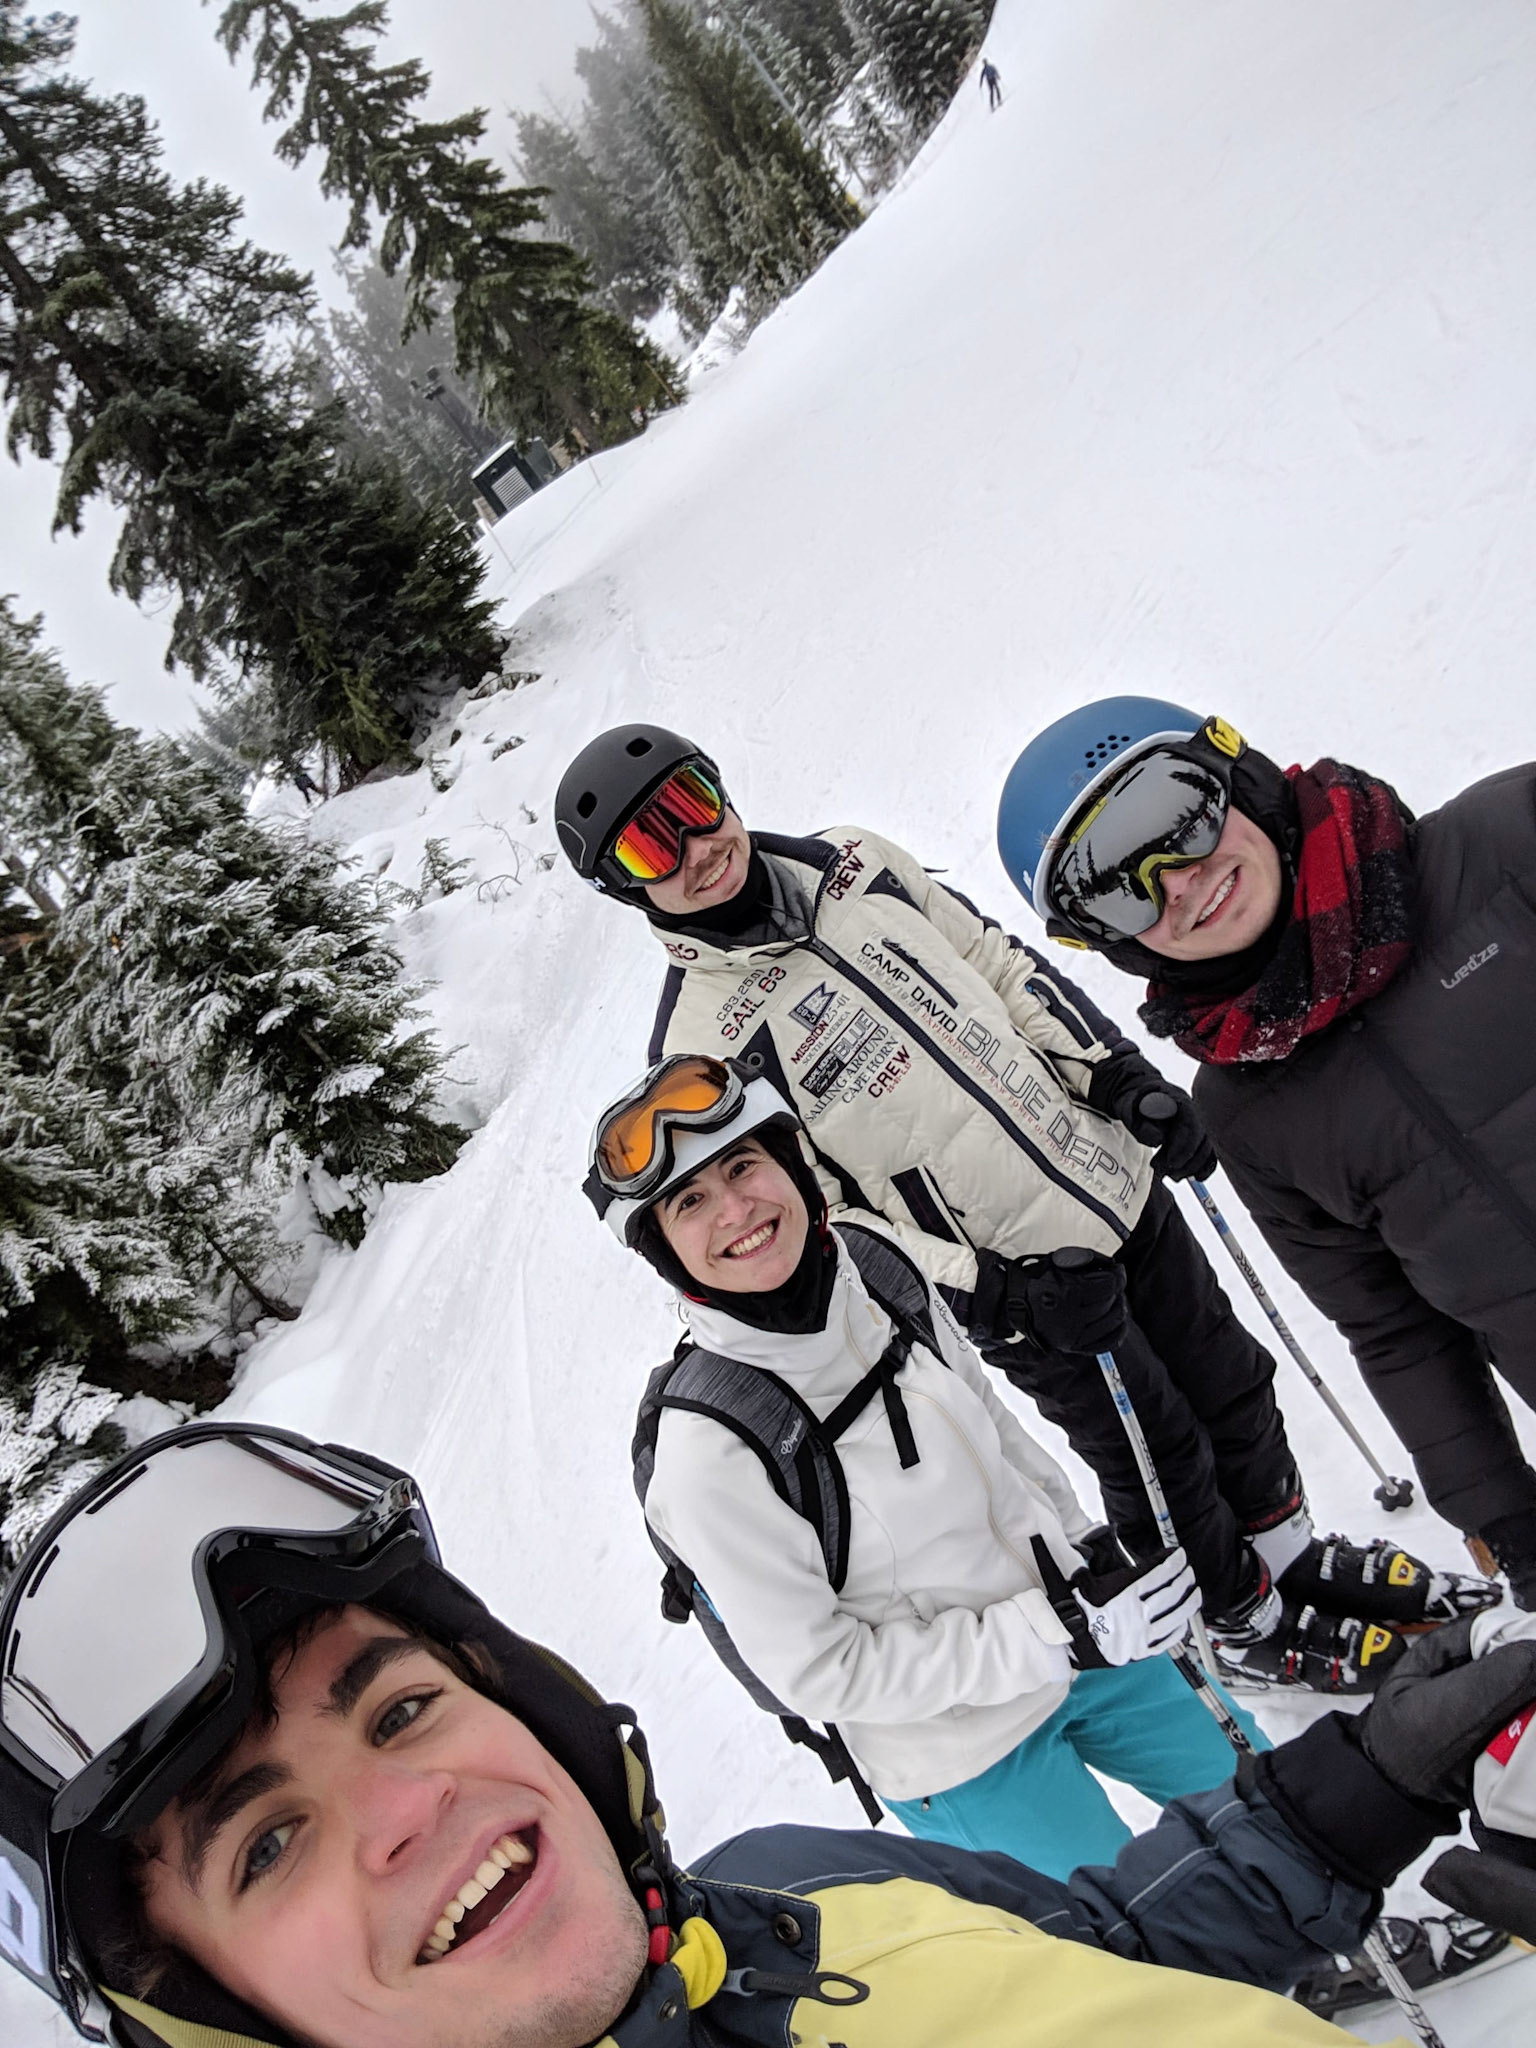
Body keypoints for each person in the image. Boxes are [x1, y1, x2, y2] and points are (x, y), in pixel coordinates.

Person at [3, 1421, 1533, 2048]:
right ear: (212, 2013)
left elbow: (1113, 1953)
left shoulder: (796, 1890)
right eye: (269, 1844)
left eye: (401, 1708)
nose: (406, 1808)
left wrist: (1363, 1785)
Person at [554, 723, 1488, 1694]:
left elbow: (996, 965)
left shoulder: (854, 863)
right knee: (1154, 1448)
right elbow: (819, 1218)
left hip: (1105, 1174)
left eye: (693, 804)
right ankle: (1239, 1618)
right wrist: (990, 1289)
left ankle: (1287, 1554)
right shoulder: (705, 1045)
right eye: (650, 846)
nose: (695, 847)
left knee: (1230, 1376)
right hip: (1022, 1278)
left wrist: (1113, 1074)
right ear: (625, 887)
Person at [584, 1053, 1251, 1882]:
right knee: (1137, 1928)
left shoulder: (873, 1265)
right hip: (958, 1749)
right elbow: (824, 1672)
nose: (736, 1208)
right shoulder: (707, 1452)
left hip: (1084, 1636)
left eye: (744, 1165)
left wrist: (1082, 1552)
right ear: (664, 1250)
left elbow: (991, 1425)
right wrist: (1056, 1633)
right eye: (689, 1201)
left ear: (788, 1162)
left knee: (1265, 1804)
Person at [996, 697, 1536, 1615]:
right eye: (1119, 890)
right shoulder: (1249, 1113)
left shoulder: (1504, 844)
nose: (1176, 881)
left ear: (1232, 773)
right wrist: (1507, 1521)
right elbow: (1394, 1329)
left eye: (1172, 814)